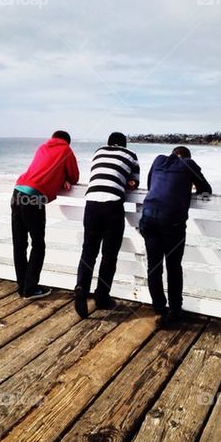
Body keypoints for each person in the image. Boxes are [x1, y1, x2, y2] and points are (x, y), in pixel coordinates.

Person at [140, 146, 211, 328]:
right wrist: (189, 185)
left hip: (148, 215)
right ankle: (174, 310)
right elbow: (206, 189)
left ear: (172, 154)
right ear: (186, 156)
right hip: (171, 221)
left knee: (154, 265)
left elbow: (151, 185)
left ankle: (159, 308)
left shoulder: (157, 160)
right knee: (173, 265)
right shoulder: (188, 164)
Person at [74, 132, 140, 318]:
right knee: (109, 254)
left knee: (89, 250)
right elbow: (133, 183)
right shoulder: (131, 155)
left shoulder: (98, 152)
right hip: (112, 204)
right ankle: (102, 297)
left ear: (108, 144)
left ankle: (81, 287)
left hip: (92, 203)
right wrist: (127, 181)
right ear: (124, 144)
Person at [11, 131, 80, 300]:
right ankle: (31, 288)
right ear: (67, 142)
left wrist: (60, 176)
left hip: (17, 192)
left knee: (19, 244)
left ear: (53, 138)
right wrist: (65, 177)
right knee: (38, 245)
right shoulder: (66, 150)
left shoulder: (42, 147)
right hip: (33, 198)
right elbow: (75, 177)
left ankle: (22, 286)